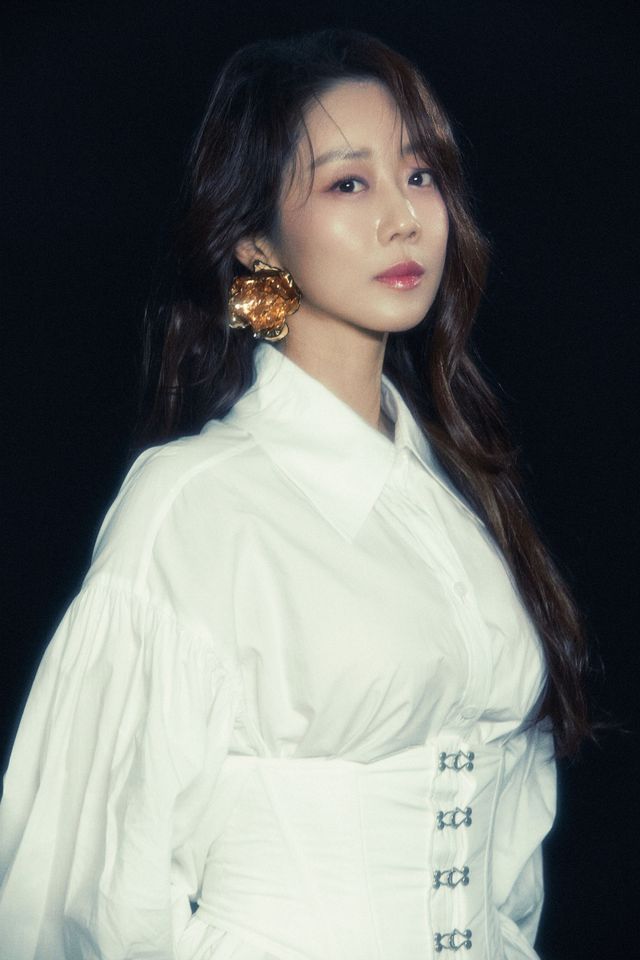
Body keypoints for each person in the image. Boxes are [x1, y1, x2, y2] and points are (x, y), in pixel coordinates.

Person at [0, 28, 591, 960]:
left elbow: (511, 851)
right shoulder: (194, 503)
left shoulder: (458, 497)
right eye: (349, 184)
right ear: (254, 242)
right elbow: (80, 899)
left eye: (421, 174)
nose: (404, 218)